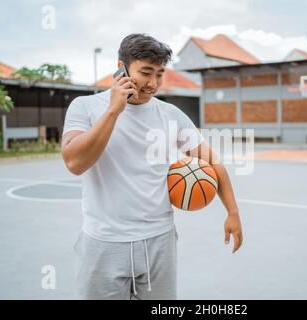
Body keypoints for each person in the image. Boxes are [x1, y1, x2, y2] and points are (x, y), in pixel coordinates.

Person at [61, 33, 243, 300]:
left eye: (160, 74)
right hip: (104, 241)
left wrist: (233, 212)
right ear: (121, 67)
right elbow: (75, 163)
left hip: (160, 240)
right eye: (146, 72)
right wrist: (113, 110)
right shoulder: (85, 107)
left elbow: (212, 162)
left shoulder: (170, 115)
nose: (153, 83)